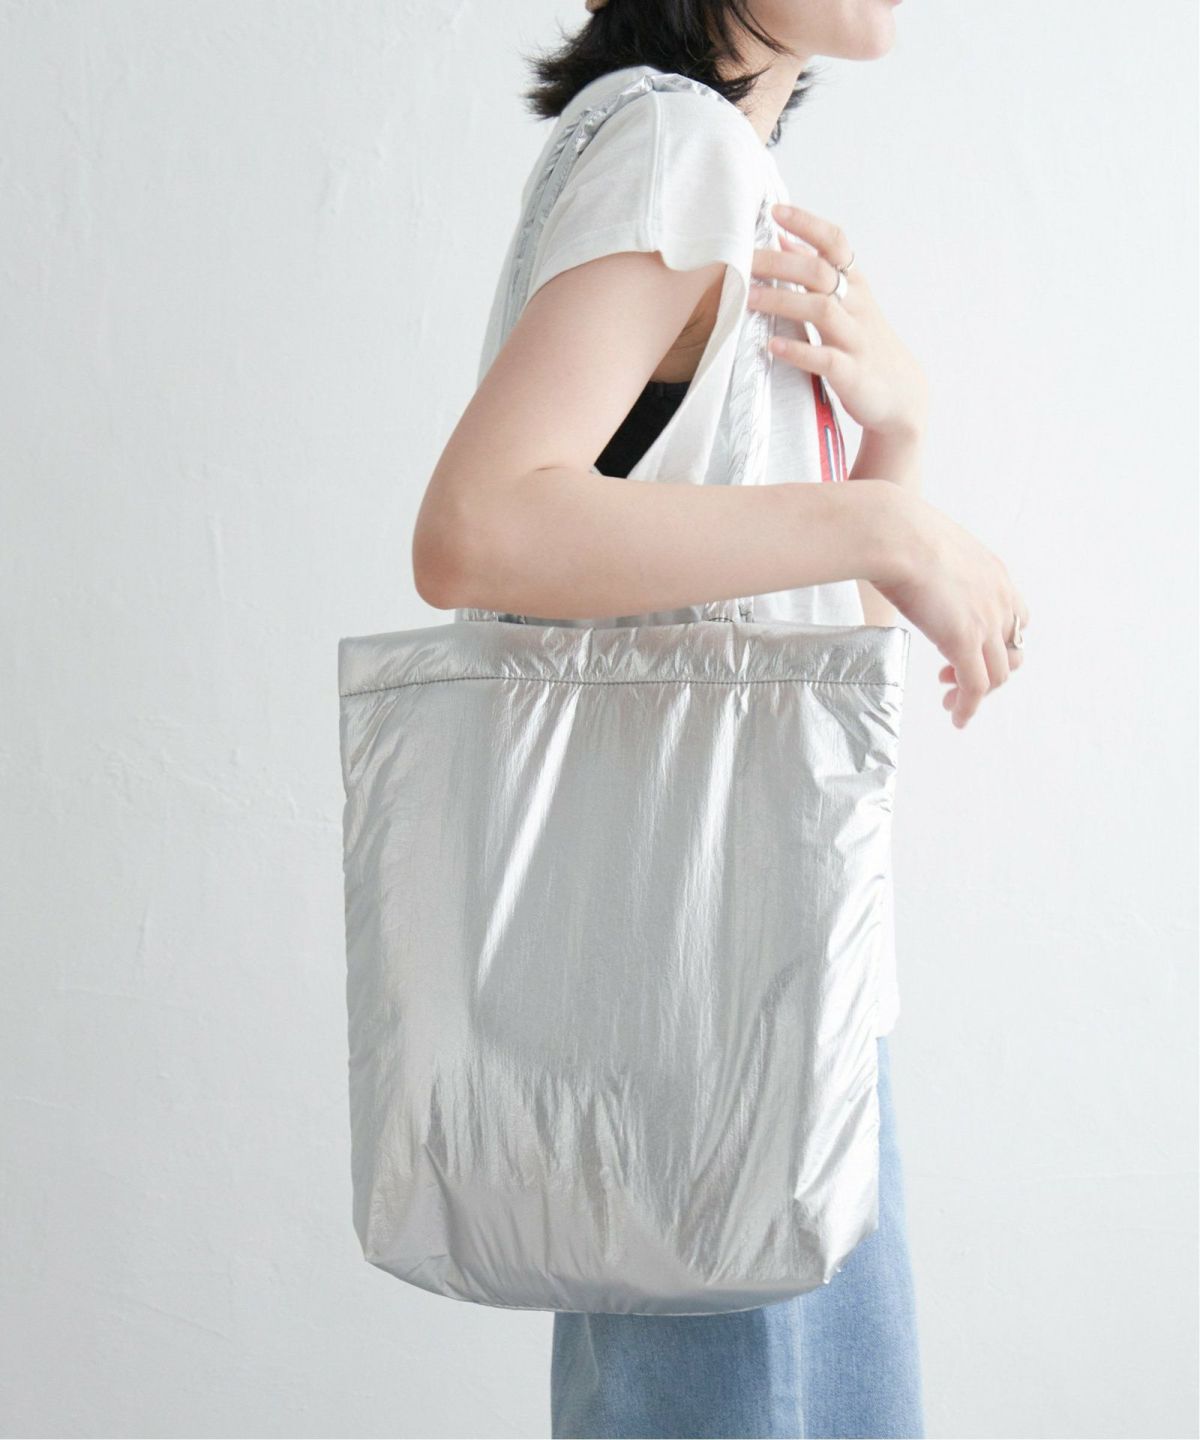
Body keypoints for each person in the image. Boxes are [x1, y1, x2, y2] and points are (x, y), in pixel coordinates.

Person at [413, 3, 1029, 1435]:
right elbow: (476, 529)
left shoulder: (711, 166)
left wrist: (895, 443)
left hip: (772, 994)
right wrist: (885, 523)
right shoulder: (671, 143)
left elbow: (811, 681)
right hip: (715, 1012)